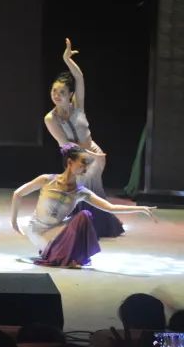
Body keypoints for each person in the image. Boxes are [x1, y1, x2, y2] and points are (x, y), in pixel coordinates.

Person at [10, 143, 156, 267]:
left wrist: (140, 208)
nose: (85, 169)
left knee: (84, 216)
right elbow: (18, 194)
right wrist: (14, 222)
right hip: (37, 230)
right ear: (70, 162)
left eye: (87, 165)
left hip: (58, 228)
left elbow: (109, 207)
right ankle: (57, 252)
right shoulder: (47, 180)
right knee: (57, 258)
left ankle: (68, 254)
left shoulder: (80, 191)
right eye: (82, 164)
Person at [43, 38, 124, 238]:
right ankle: (84, 226)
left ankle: (96, 225)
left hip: (93, 152)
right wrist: (90, 155)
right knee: (84, 191)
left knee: (94, 189)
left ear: (70, 94)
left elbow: (79, 77)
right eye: (54, 91)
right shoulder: (50, 118)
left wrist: (67, 59)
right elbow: (66, 145)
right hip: (76, 158)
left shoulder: (78, 105)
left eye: (62, 92)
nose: (56, 95)